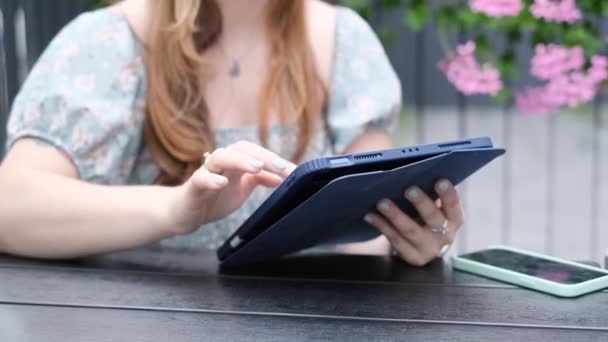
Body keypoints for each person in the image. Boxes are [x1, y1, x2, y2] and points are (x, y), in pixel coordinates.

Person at [0, 0, 464, 266]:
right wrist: (178, 210)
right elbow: (12, 207)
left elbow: (370, 221)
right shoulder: (108, 41)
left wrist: (409, 242)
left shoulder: (344, 40)